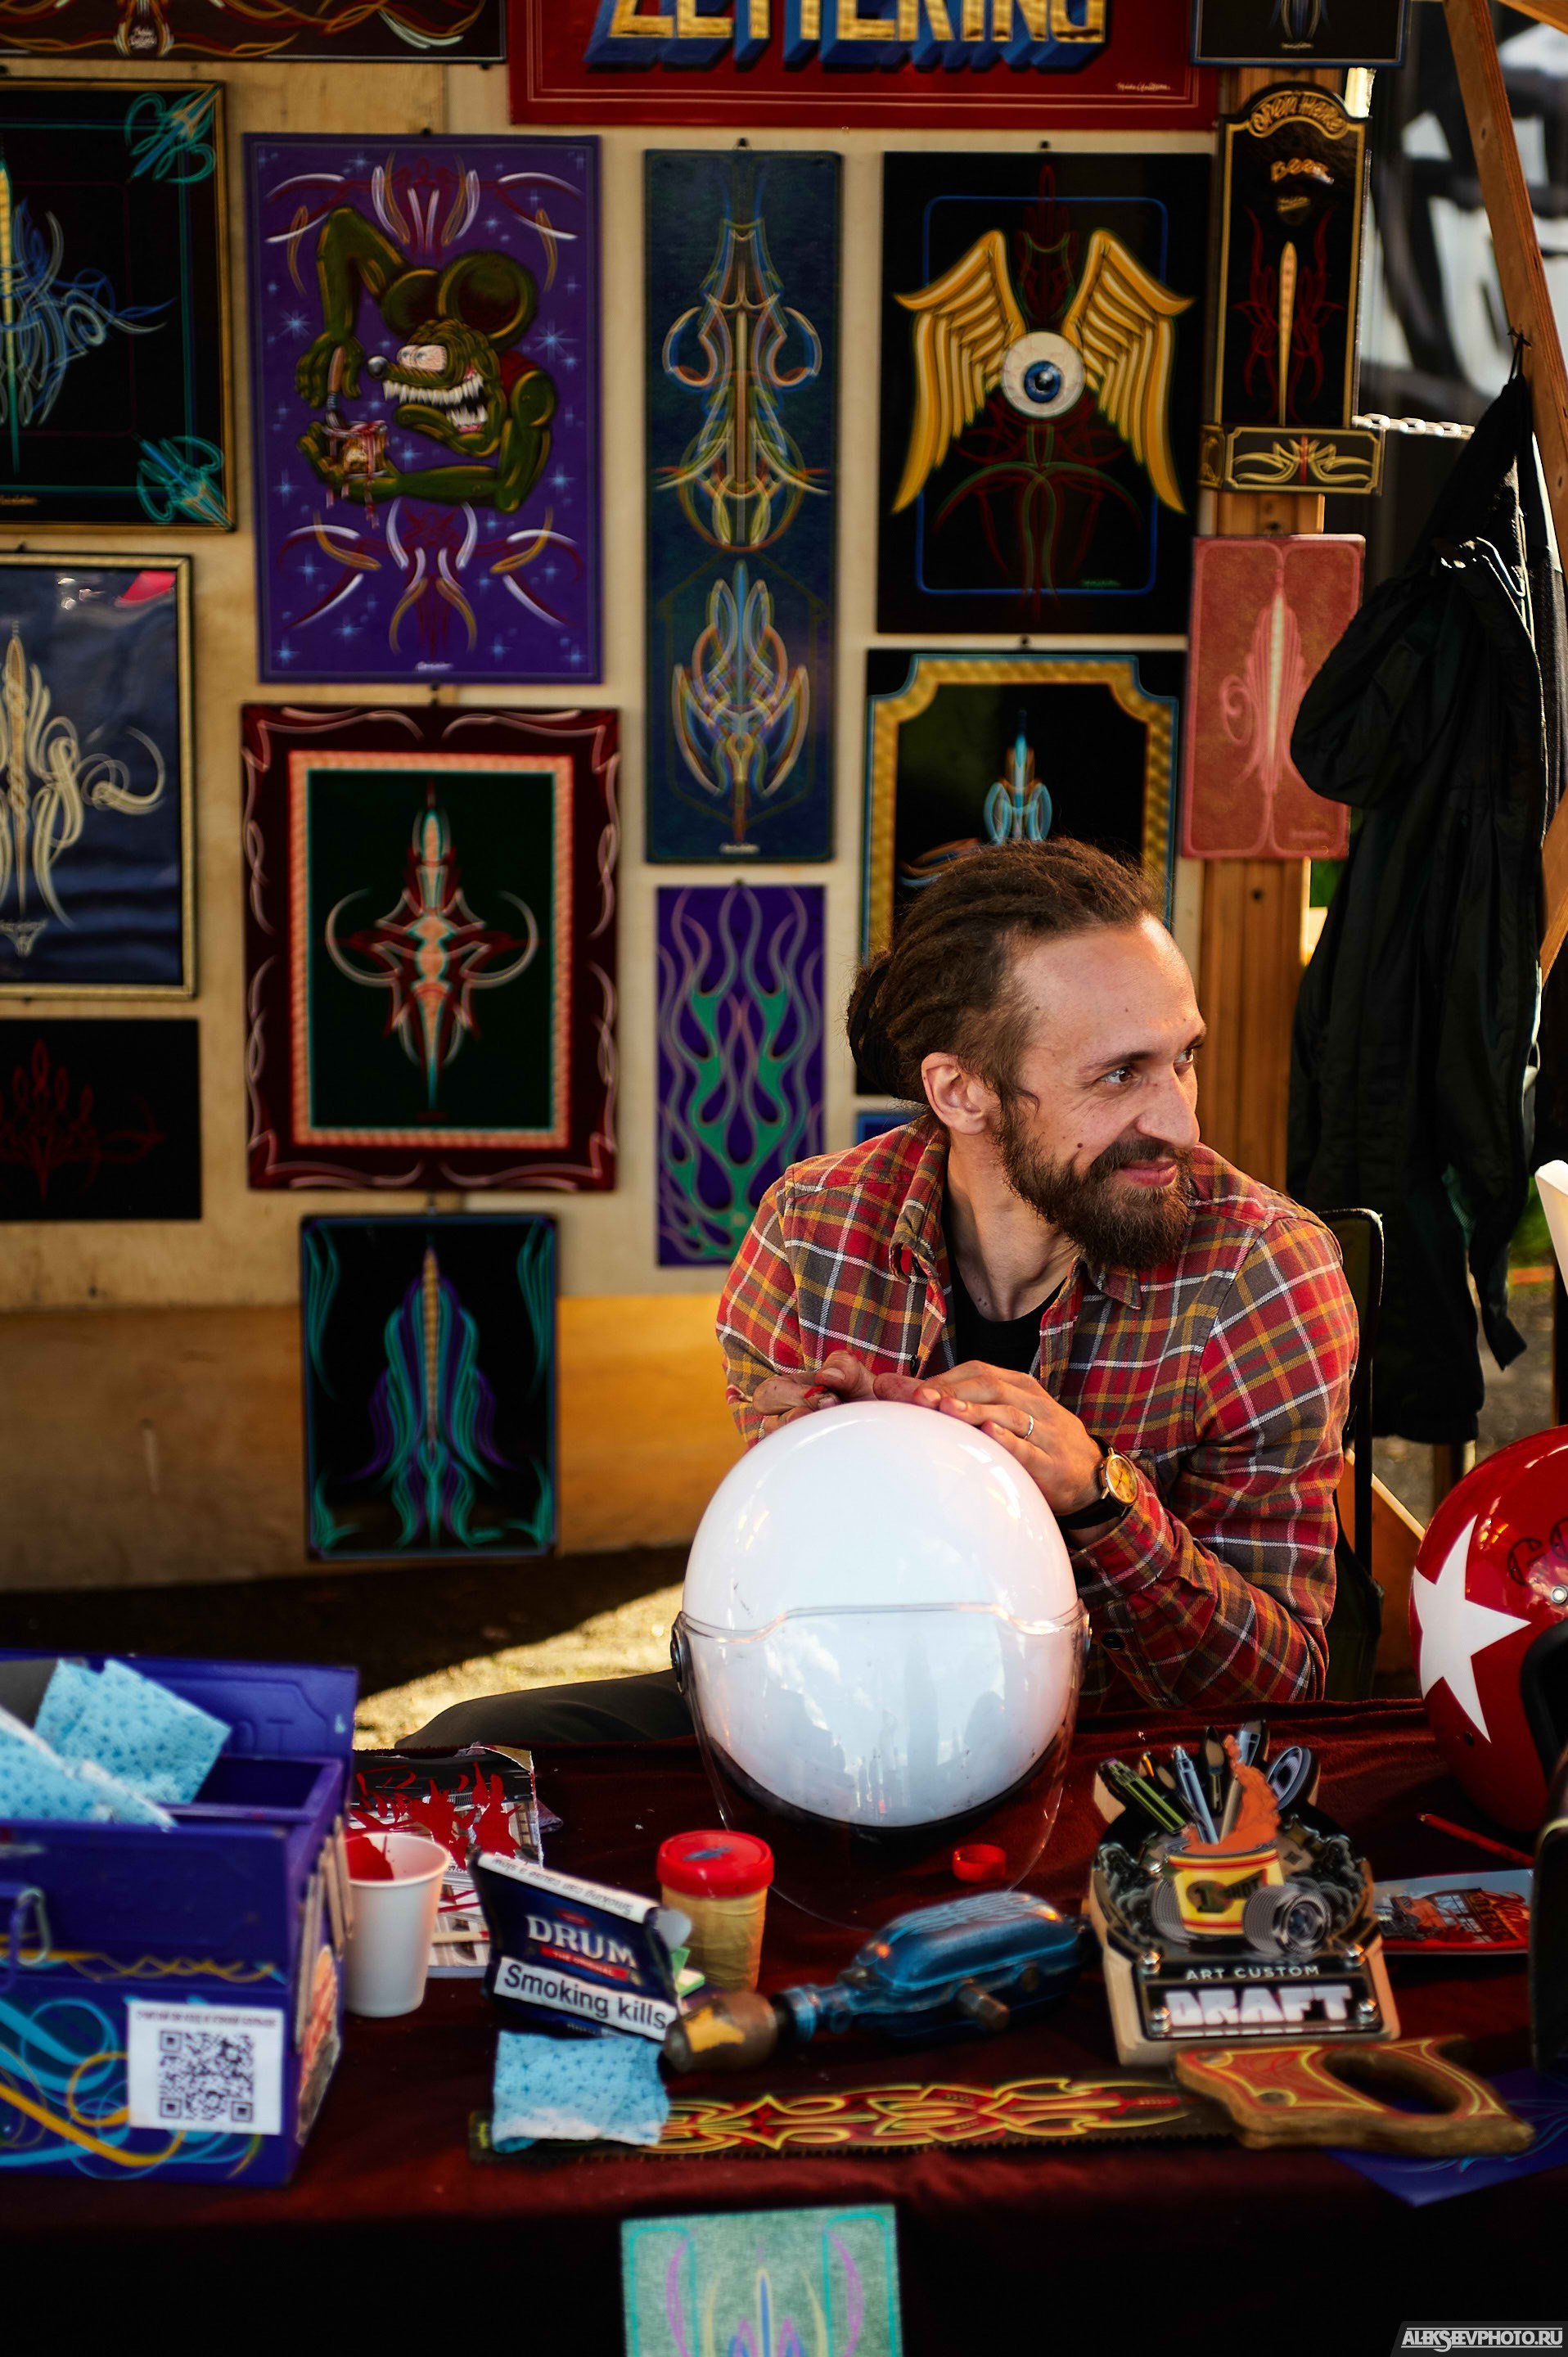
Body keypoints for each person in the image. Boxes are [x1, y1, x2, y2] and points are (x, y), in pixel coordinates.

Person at [410, 837, 1356, 1746]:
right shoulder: (811, 1232)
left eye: (1181, 1057)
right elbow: (785, 1598)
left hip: (1113, 1755)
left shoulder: (1264, 1275)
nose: (1180, 1121)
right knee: (465, 1744)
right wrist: (827, 1464)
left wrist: (1095, 1496)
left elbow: (1276, 1690)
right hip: (827, 1716)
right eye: (1118, 1076)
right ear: (960, 1092)